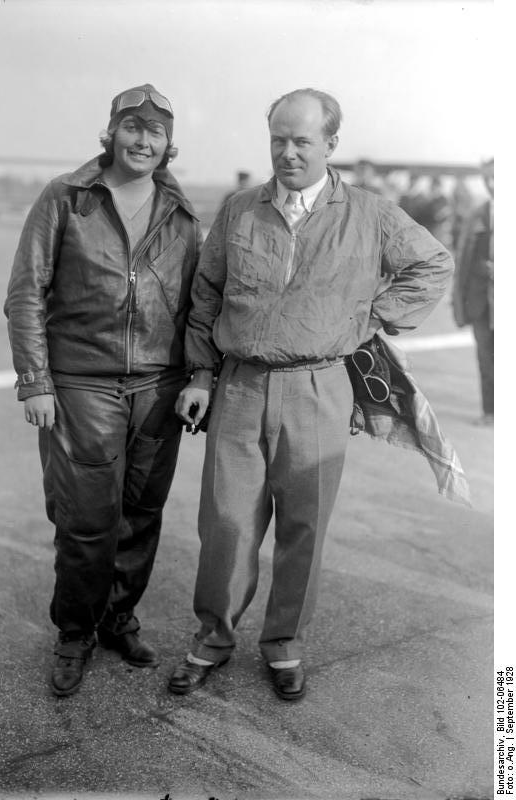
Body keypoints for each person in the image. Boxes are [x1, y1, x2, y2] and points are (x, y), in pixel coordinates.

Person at [167, 87, 454, 701]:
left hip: (320, 389)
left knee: (305, 526)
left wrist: (370, 318)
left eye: (301, 140)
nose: (288, 152)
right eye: (278, 139)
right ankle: (211, 639)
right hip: (240, 386)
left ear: (330, 144)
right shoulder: (241, 208)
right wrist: (199, 374)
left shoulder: (372, 214)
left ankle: (284, 645)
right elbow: (207, 295)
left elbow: (433, 264)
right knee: (225, 524)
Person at [4, 83, 202, 696]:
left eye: (156, 131)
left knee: (140, 513)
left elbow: (199, 304)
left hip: (159, 386)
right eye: (132, 127)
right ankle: (74, 632)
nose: (143, 140)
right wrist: (36, 381)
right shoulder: (67, 198)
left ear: (169, 144)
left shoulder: (183, 212)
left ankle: (118, 617)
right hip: (82, 382)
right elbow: (25, 294)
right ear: (111, 131)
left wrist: (199, 374)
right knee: (87, 518)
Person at [452, 158, 494, 425]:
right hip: (481, 301)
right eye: (487, 178)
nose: (491, 184)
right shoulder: (478, 213)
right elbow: (465, 260)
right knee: (485, 357)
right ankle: (490, 412)